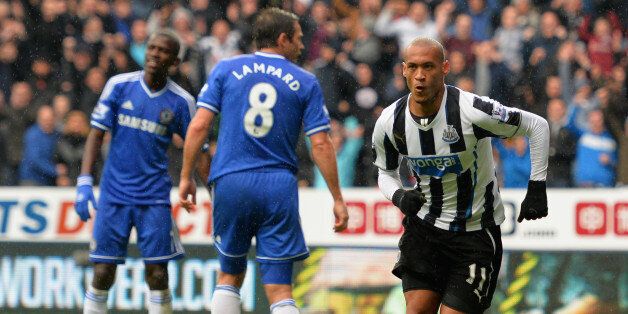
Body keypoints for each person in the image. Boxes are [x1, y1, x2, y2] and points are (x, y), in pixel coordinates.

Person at [177, 8, 349, 314]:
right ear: (282, 39)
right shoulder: (305, 81)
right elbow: (320, 142)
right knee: (280, 288)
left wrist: (186, 176)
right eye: (297, 39)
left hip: (231, 181)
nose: (301, 45)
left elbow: (199, 126)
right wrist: (337, 197)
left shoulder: (225, 69)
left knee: (229, 275)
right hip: (277, 186)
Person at [371, 37, 549, 313]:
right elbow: (385, 171)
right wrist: (399, 196)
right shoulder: (389, 121)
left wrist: (537, 186)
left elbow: (537, 126)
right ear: (404, 70)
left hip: (474, 235)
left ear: (445, 68)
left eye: (428, 67)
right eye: (414, 67)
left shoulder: (472, 110)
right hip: (425, 231)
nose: (420, 76)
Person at [74, 30, 196, 314]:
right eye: (151, 48)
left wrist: (207, 188)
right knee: (103, 272)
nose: (154, 54)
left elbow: (196, 148)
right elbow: (96, 134)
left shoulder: (181, 102)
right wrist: (83, 182)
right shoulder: (118, 85)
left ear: (174, 62)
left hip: (153, 198)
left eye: (163, 51)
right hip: (114, 196)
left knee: (157, 274)